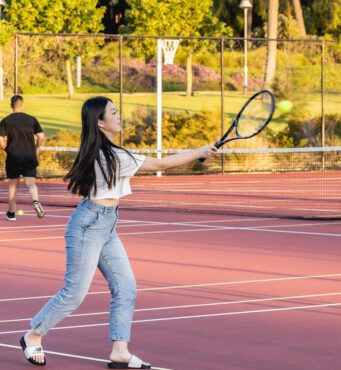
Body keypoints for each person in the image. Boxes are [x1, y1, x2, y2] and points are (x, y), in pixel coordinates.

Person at [19, 96, 216, 368]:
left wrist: (199, 152)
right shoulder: (114, 156)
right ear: (100, 122)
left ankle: (120, 351)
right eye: (114, 112)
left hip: (107, 223)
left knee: (126, 287)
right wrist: (199, 151)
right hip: (89, 225)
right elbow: (160, 165)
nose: (119, 115)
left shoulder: (106, 151)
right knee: (75, 292)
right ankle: (33, 336)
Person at [0, 95, 46, 220]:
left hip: (14, 157)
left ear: (11, 106)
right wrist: (36, 148)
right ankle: (35, 201)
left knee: (13, 185)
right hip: (29, 156)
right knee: (31, 183)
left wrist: (7, 149)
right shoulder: (32, 119)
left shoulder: (6, 120)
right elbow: (41, 136)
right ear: (23, 105)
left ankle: (11, 213)